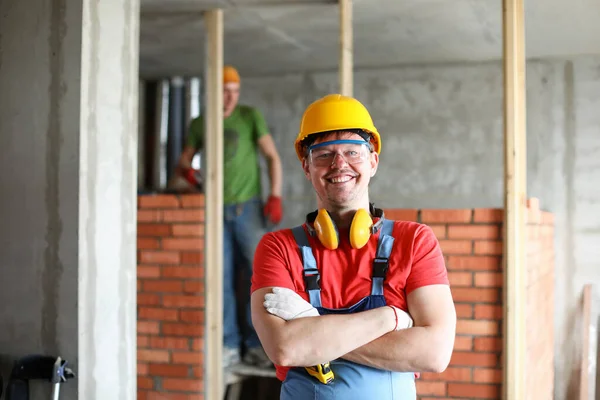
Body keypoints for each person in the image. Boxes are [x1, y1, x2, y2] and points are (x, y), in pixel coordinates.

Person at [249, 94, 456, 399]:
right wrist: (390, 319)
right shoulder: (278, 247)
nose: (339, 164)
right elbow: (286, 348)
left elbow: (435, 353)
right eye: (323, 154)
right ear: (307, 168)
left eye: (352, 152)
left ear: (373, 162)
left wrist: (314, 332)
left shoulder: (414, 242)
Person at [177, 65, 283, 369]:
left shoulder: (250, 117)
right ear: (212, 92)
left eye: (234, 92)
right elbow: (185, 159)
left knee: (259, 277)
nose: (229, 98)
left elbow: (272, 157)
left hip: (247, 207)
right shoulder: (201, 123)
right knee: (220, 278)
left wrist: (274, 195)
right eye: (224, 92)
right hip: (213, 209)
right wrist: (187, 169)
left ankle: (258, 345)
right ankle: (229, 345)